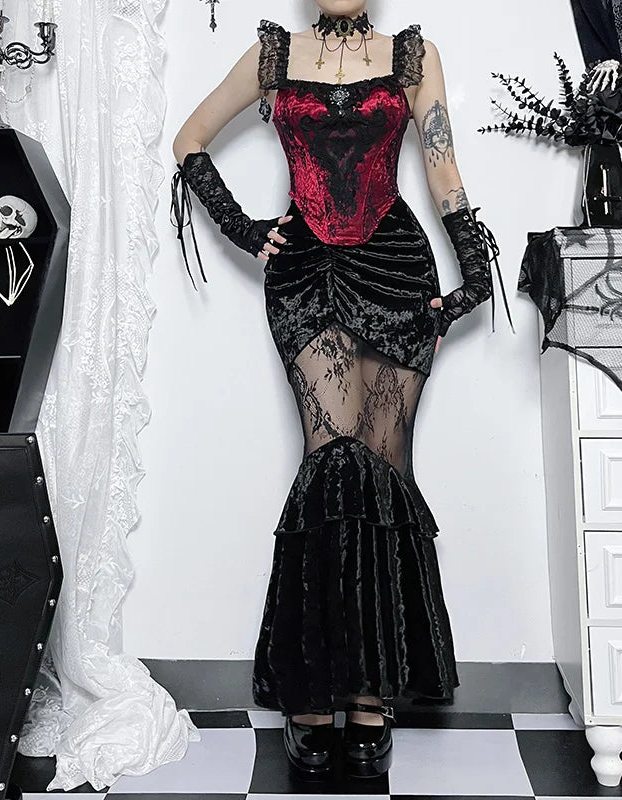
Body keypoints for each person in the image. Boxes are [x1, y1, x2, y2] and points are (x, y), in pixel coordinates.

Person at [171, 0, 508, 780]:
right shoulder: (272, 56)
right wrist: (243, 228)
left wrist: (476, 272)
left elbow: (443, 168)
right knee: (330, 463)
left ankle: (369, 692)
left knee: (384, 470)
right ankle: (312, 691)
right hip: (305, 272)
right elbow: (189, 139)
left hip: (396, 267)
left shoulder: (414, 55)